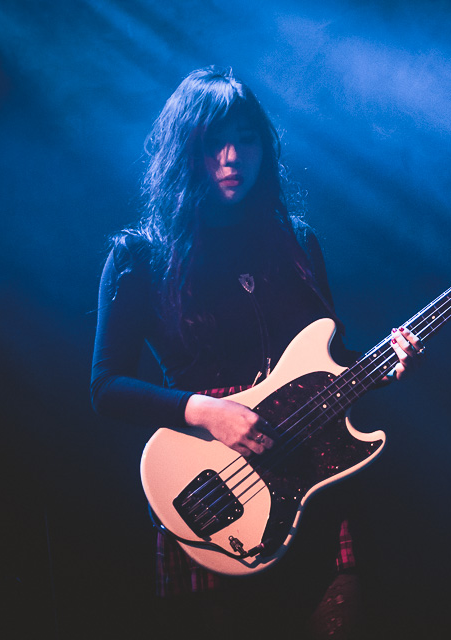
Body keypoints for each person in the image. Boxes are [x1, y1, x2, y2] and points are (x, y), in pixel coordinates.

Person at [90, 66, 421, 638]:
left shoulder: (296, 241)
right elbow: (107, 387)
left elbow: (331, 362)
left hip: (313, 480)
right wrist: (206, 411)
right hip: (215, 489)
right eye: (214, 143)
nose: (232, 157)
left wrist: (384, 368)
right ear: (184, 151)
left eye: (246, 140)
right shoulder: (139, 258)